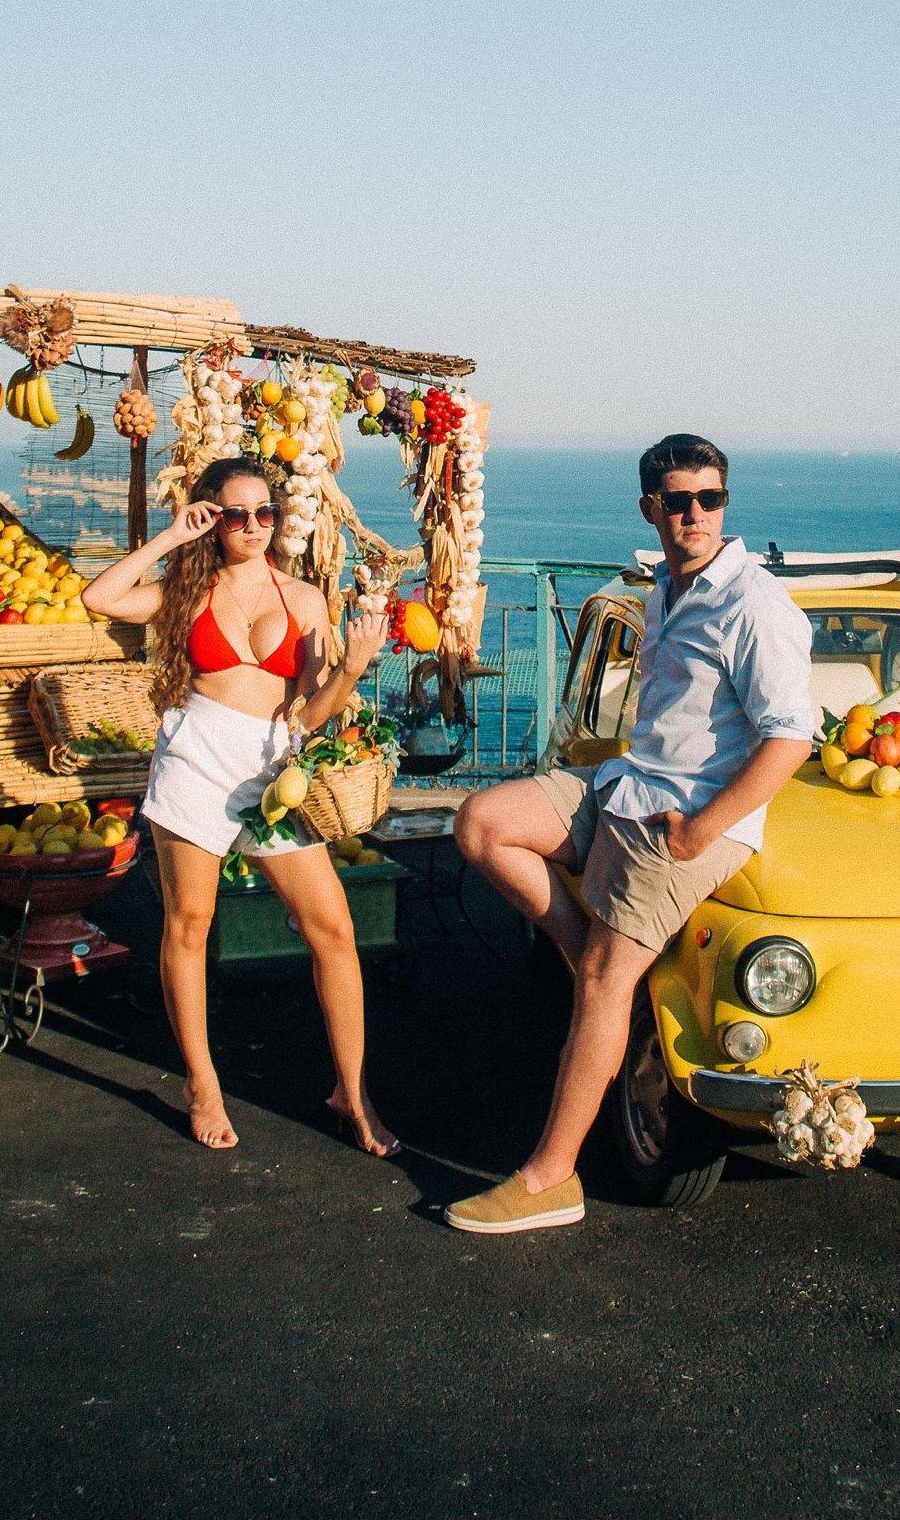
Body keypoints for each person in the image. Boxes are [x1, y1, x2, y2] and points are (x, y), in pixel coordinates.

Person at [446, 433, 813, 1233]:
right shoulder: (664, 587)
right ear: (650, 507)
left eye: (709, 498)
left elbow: (791, 736)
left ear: (725, 501)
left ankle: (550, 1178)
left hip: (683, 819)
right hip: (627, 785)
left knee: (603, 985)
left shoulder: (753, 603)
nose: (694, 514)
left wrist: (698, 833)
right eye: (677, 500)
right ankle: (604, 970)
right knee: (481, 824)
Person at [82, 457, 397, 1156]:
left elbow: (313, 712)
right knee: (189, 926)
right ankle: (203, 1083)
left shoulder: (307, 598)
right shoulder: (185, 590)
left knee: (334, 932)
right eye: (237, 513)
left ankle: (352, 1088)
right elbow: (99, 598)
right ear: (213, 518)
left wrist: (350, 667)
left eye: (265, 512)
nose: (255, 526)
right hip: (196, 759)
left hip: (275, 769)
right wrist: (169, 537)